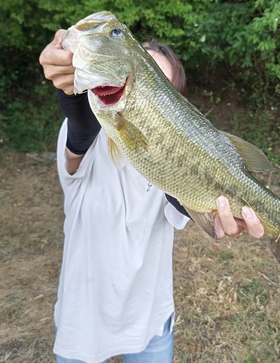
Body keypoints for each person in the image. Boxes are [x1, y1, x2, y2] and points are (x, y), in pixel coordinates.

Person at [39, 29, 264, 363]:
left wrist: (222, 213)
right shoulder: (88, 137)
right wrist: (75, 96)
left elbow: (183, 202)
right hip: (82, 321)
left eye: (158, 83)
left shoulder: (180, 163)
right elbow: (79, 136)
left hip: (151, 319)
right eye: (137, 73)